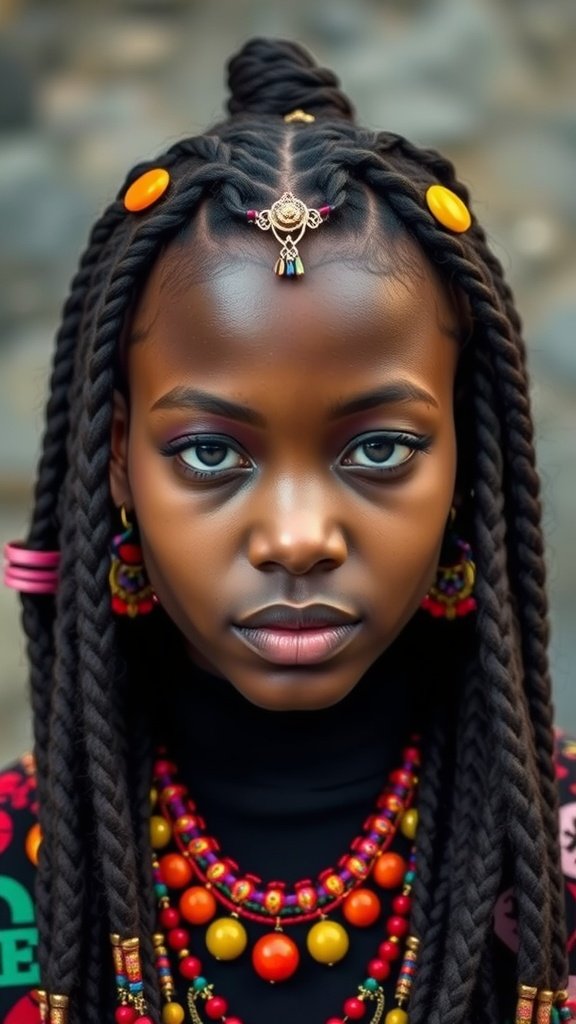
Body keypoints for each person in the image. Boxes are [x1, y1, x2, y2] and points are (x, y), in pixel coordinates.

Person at [1, 35, 575, 1024]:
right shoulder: (22, 866)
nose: (299, 536)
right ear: (117, 465)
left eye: (381, 451)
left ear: (467, 471)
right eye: (213, 455)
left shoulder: (555, 857)